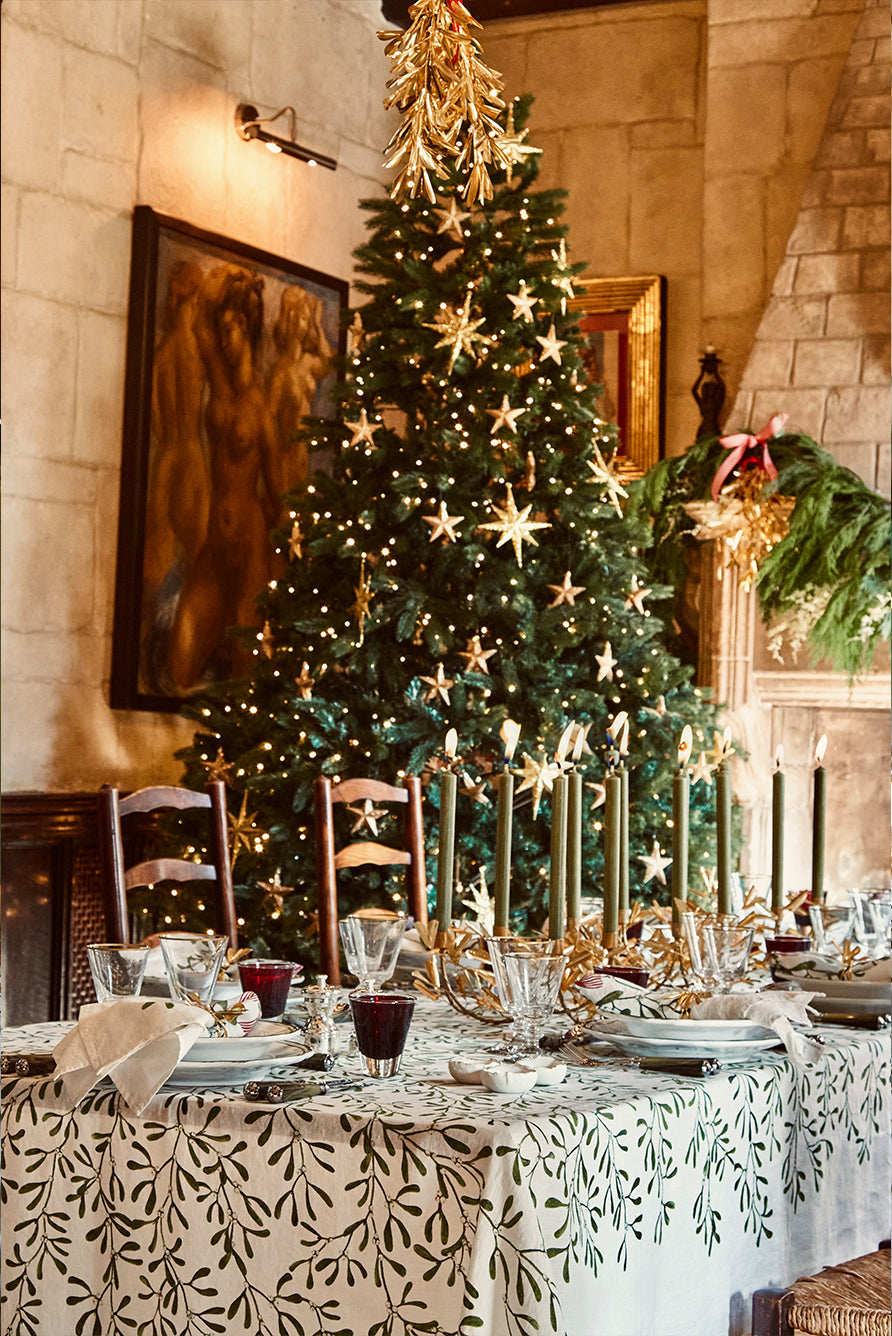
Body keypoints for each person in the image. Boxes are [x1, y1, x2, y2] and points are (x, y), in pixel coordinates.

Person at [166, 263, 281, 691]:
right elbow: (199, 328)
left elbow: (278, 494)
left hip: (250, 548)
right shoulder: (219, 384)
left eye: (234, 328)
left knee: (245, 675)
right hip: (215, 547)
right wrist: (229, 279)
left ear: (249, 332)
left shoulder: (263, 413)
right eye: (225, 328)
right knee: (178, 670)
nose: (226, 339)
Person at [267, 284, 334, 501]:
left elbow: (328, 362)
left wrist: (318, 325)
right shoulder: (281, 372)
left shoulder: (307, 363)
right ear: (291, 320)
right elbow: (269, 419)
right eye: (303, 319)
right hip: (287, 458)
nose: (306, 326)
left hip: (303, 454)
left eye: (307, 320)